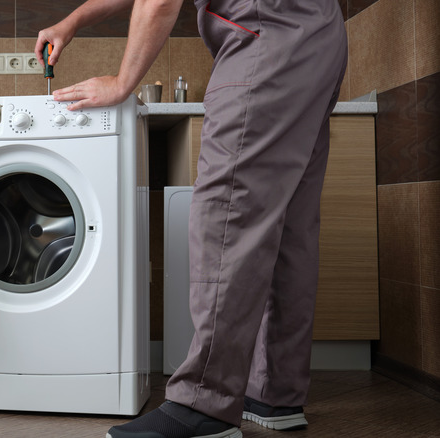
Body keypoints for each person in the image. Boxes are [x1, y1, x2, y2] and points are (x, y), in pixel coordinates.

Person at [35, 0, 348, 437]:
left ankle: (204, 405)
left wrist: (123, 81)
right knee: (287, 224)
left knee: (227, 214)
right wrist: (74, 19)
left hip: (264, 40)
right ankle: (274, 392)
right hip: (316, 35)